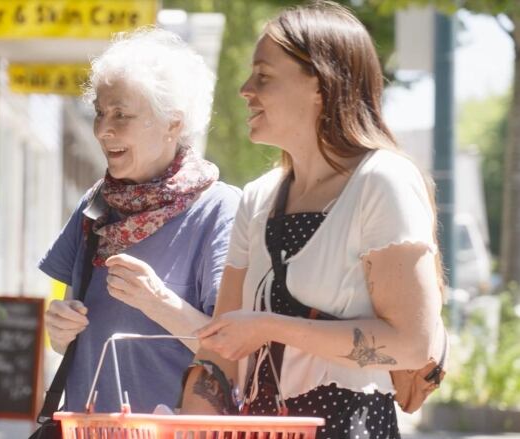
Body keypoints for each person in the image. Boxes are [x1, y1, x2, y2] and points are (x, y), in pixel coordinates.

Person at [181, 2, 446, 438]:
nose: (246, 88)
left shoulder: (382, 181)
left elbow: (411, 344)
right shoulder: (257, 197)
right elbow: (218, 353)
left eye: (263, 76)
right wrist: (188, 424)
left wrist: (268, 326)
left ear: (320, 86)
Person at [39, 28, 241, 414]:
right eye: (100, 112)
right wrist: (59, 330)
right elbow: (68, 339)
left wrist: (158, 301)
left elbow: (234, 352)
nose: (102, 130)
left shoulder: (221, 210)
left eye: (121, 115)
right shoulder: (96, 204)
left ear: (173, 124)